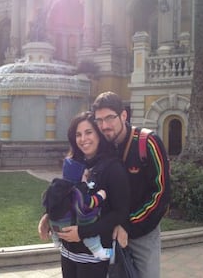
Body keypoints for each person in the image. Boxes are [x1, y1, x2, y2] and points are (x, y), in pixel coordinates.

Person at [38, 111, 130, 278]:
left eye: (88, 132)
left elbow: (120, 212)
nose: (83, 139)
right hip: (68, 252)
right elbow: (64, 197)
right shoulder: (73, 165)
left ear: (99, 134)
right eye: (78, 134)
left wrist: (83, 232)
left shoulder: (112, 168)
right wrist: (48, 215)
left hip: (95, 256)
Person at [91, 91, 171, 278]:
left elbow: (161, 193)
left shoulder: (148, 143)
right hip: (108, 232)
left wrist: (128, 224)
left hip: (143, 233)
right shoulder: (102, 145)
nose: (104, 126)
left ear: (124, 115)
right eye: (99, 120)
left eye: (110, 118)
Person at [42, 164, 112, 260]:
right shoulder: (78, 190)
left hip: (56, 225)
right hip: (73, 225)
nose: (86, 179)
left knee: (56, 229)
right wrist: (100, 196)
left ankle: (56, 242)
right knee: (89, 234)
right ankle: (98, 252)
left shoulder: (56, 188)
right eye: (85, 176)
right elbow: (88, 204)